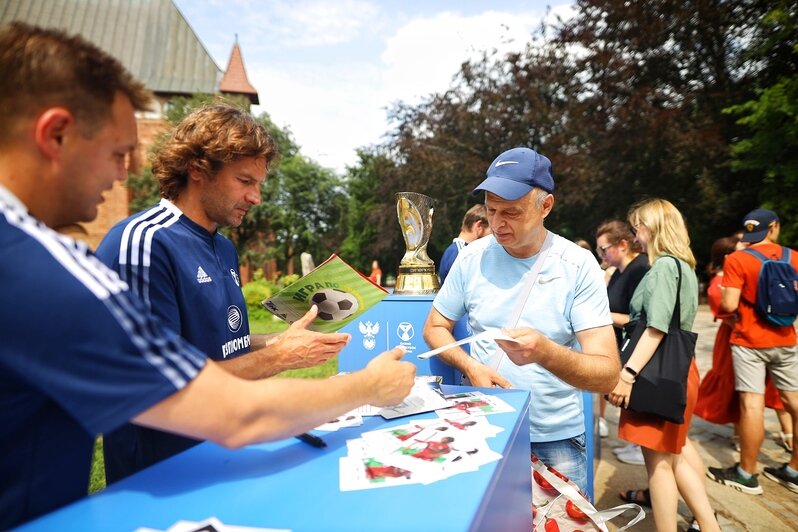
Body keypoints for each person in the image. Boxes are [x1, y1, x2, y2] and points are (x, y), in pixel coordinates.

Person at [0, 22, 415, 529]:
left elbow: (205, 344)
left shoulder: (219, 245)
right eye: (115, 153)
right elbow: (216, 403)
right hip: (164, 483)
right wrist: (367, 385)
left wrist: (269, 344)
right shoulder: (74, 257)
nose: (120, 172)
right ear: (55, 133)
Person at [95, 104, 352, 482]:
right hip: (165, 475)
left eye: (259, 184)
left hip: (226, 450)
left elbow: (222, 344)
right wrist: (279, 357)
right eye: (245, 181)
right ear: (198, 170)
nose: (256, 197)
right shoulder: (146, 242)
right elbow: (161, 386)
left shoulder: (223, 246)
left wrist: (279, 342)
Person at [423, 146, 619, 493]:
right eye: (491, 210)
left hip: (554, 439)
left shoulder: (578, 265)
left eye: (511, 212)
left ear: (546, 206)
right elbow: (434, 327)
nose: (497, 224)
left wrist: (545, 352)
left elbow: (606, 374)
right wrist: (470, 367)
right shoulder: (471, 259)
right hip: (485, 428)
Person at [607, 199, 720, 532]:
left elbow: (655, 327)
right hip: (677, 370)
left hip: (654, 371)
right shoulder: (682, 266)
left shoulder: (664, 267)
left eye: (638, 226)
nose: (636, 235)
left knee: (658, 465)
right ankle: (709, 525)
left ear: (652, 227)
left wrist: (627, 375)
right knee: (675, 454)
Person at [707, 208, 798, 495]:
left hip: (749, 342)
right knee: (794, 402)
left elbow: (730, 305)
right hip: (786, 338)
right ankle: (794, 470)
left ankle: (747, 473)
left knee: (752, 405)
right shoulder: (794, 257)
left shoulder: (737, 259)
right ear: (774, 227)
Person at [695, 236, 792, 452]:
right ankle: (741, 436)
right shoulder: (717, 285)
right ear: (729, 257)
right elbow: (731, 318)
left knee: (763, 391)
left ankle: (786, 434)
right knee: (743, 392)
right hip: (737, 340)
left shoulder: (738, 273)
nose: (748, 252)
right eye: (742, 250)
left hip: (751, 337)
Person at [595, 220, 650, 469]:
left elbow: (642, 318)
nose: (602, 255)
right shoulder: (618, 271)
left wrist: (600, 317)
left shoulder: (640, 269)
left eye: (604, 249)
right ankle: (635, 443)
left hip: (636, 345)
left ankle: (642, 446)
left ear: (623, 245)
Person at [438, 203, 490, 282]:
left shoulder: (454, 250)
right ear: (479, 226)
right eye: (491, 232)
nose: (492, 238)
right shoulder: (462, 254)